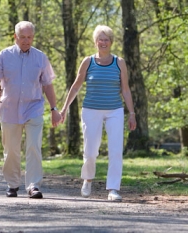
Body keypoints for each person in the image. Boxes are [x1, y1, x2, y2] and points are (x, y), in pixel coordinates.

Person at [60, 25, 137, 201]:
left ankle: (113, 189)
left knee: (116, 149)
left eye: (106, 39)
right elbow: (76, 86)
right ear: (95, 42)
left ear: (111, 42)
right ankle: (87, 179)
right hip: (91, 110)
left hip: (114, 110)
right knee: (90, 150)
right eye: (100, 39)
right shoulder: (88, 62)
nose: (103, 42)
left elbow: (125, 90)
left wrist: (131, 113)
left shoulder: (120, 62)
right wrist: (64, 108)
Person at [0, 21, 61, 198]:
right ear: (15, 37)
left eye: (29, 37)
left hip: (33, 108)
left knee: (34, 147)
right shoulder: (4, 56)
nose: (26, 41)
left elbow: (48, 85)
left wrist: (54, 108)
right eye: (22, 37)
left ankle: (33, 185)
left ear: (33, 37)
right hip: (9, 109)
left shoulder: (40, 57)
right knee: (11, 150)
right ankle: (12, 184)